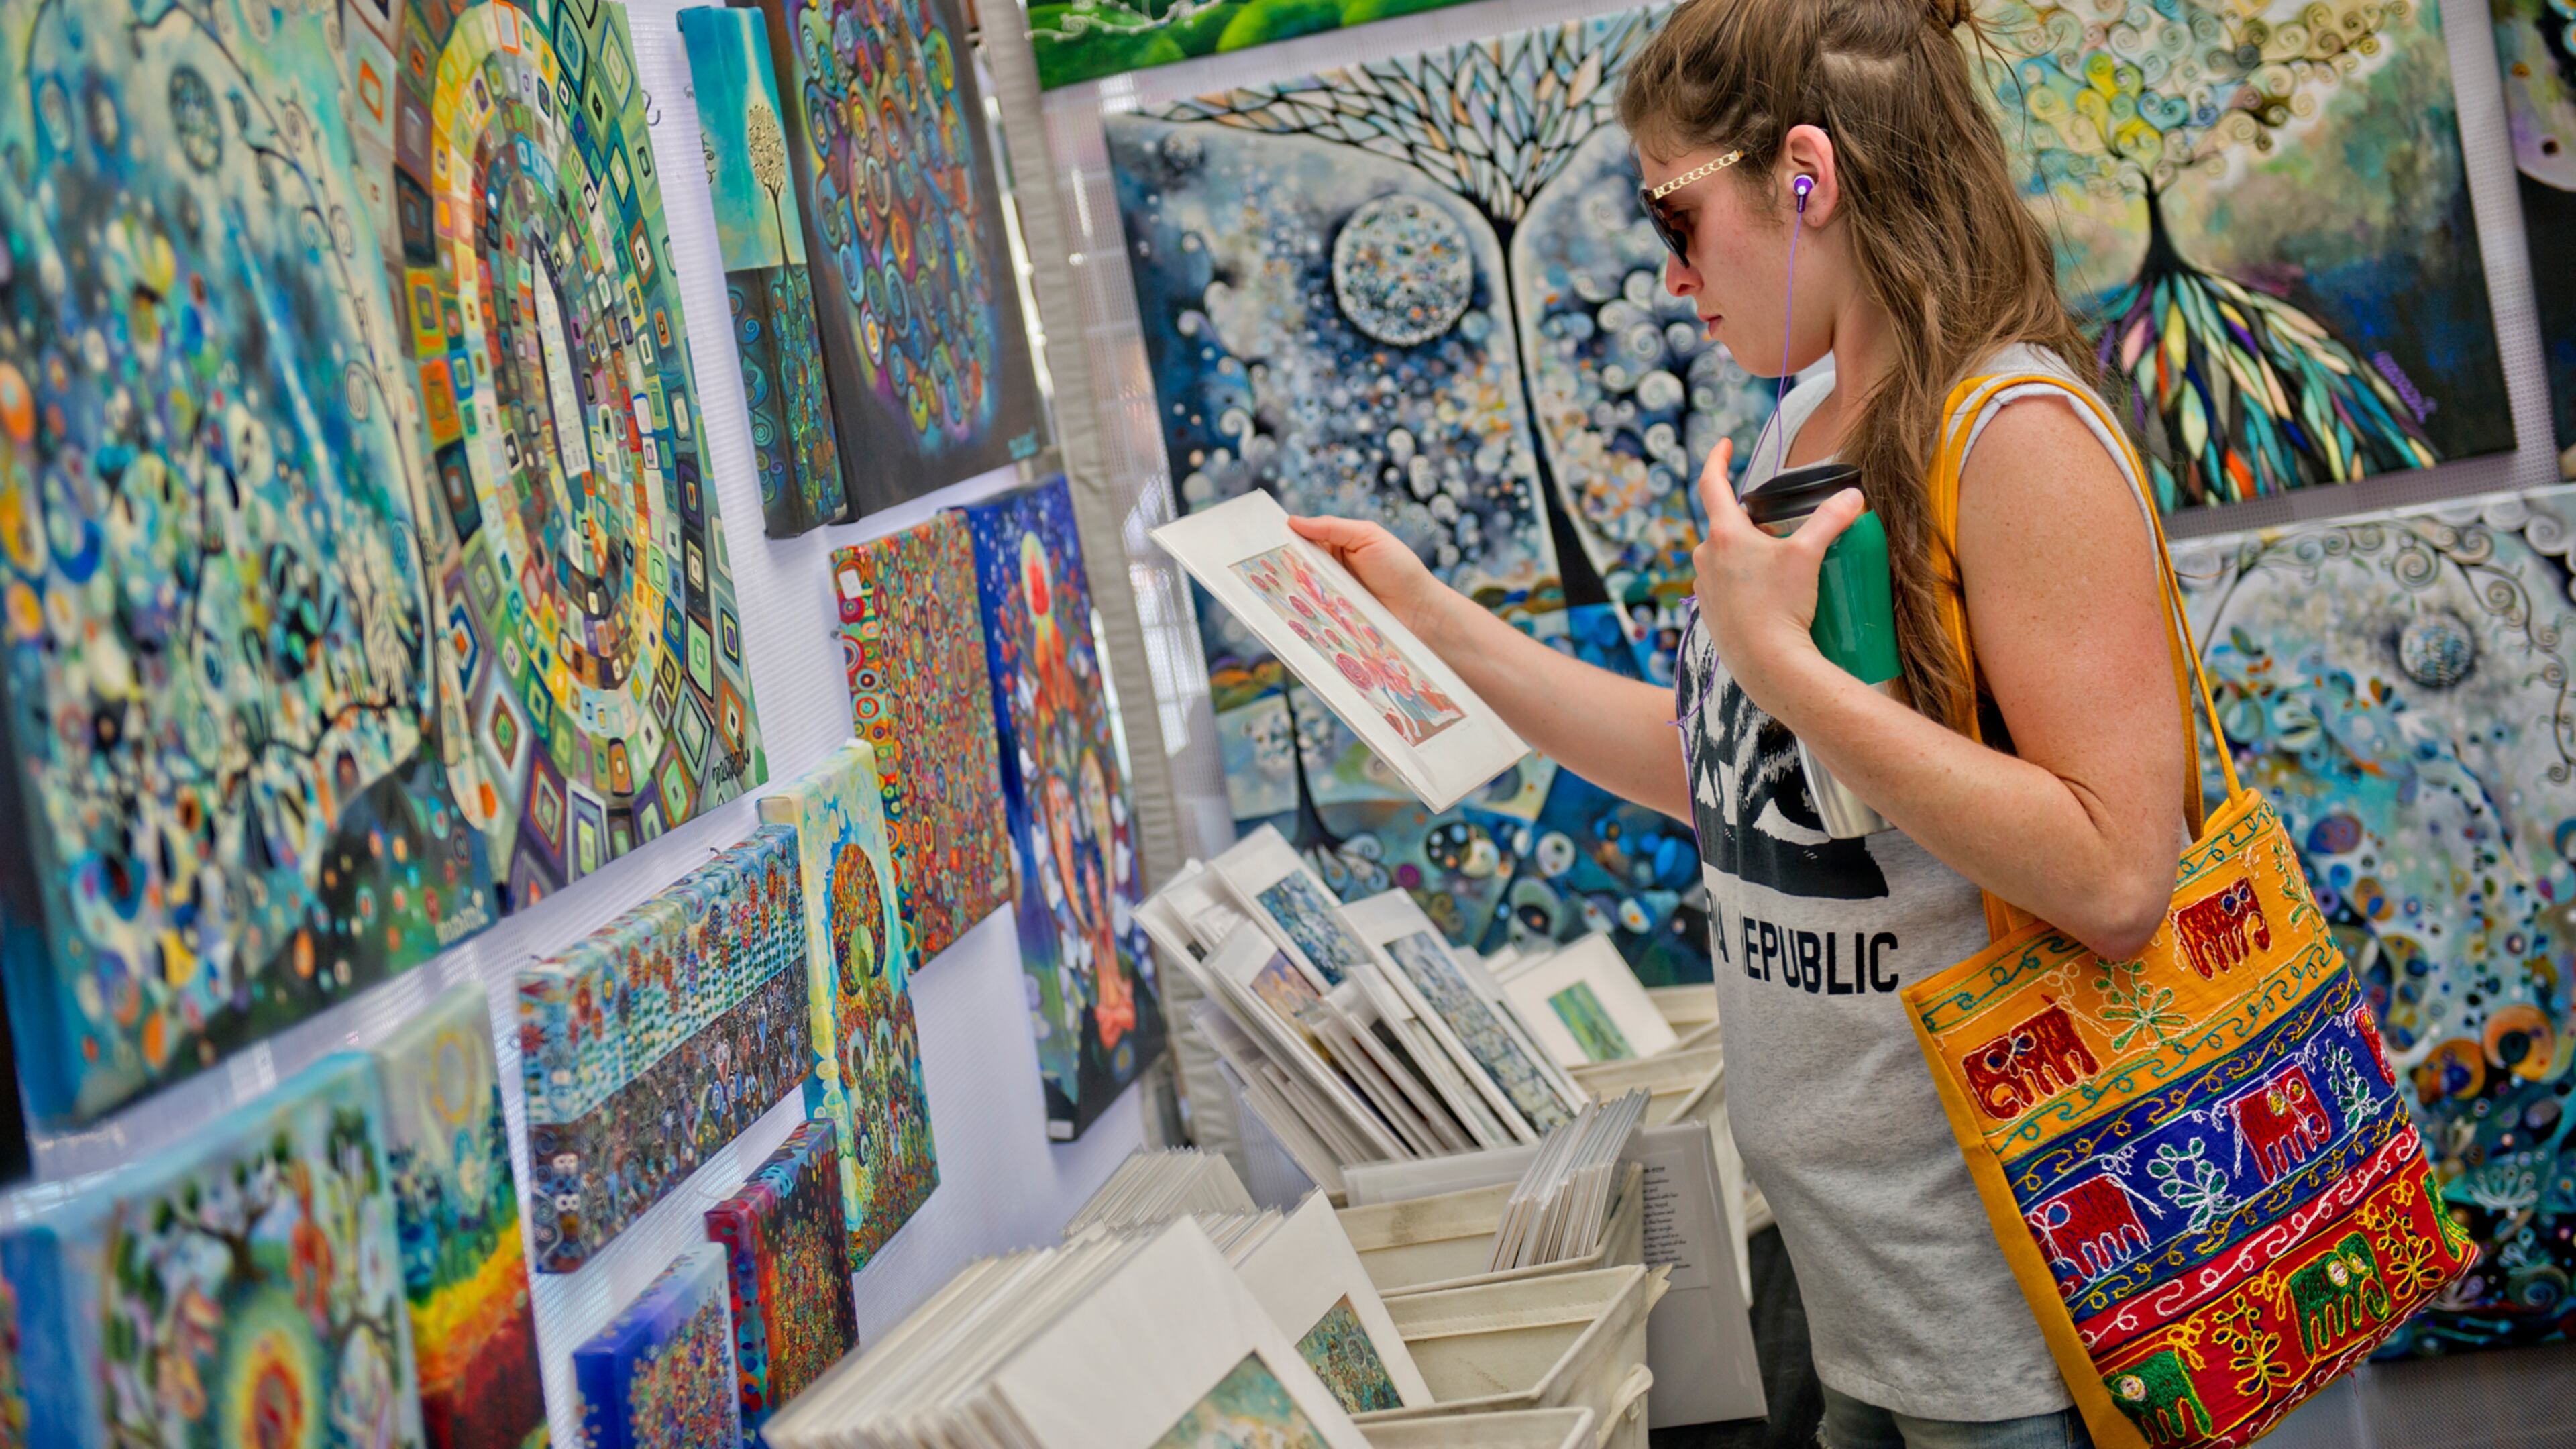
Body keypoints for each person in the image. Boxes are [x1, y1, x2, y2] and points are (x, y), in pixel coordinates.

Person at [1290, 0, 2192, 1443]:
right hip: (1866, 1295)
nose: (1666, 273)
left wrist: (1788, 672)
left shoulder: (2017, 436)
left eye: (1677, 214)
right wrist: (1428, 618)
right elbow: (1720, 776)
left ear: (1809, 176)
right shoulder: (1804, 425)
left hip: (2020, 1318)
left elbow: (2117, 877)